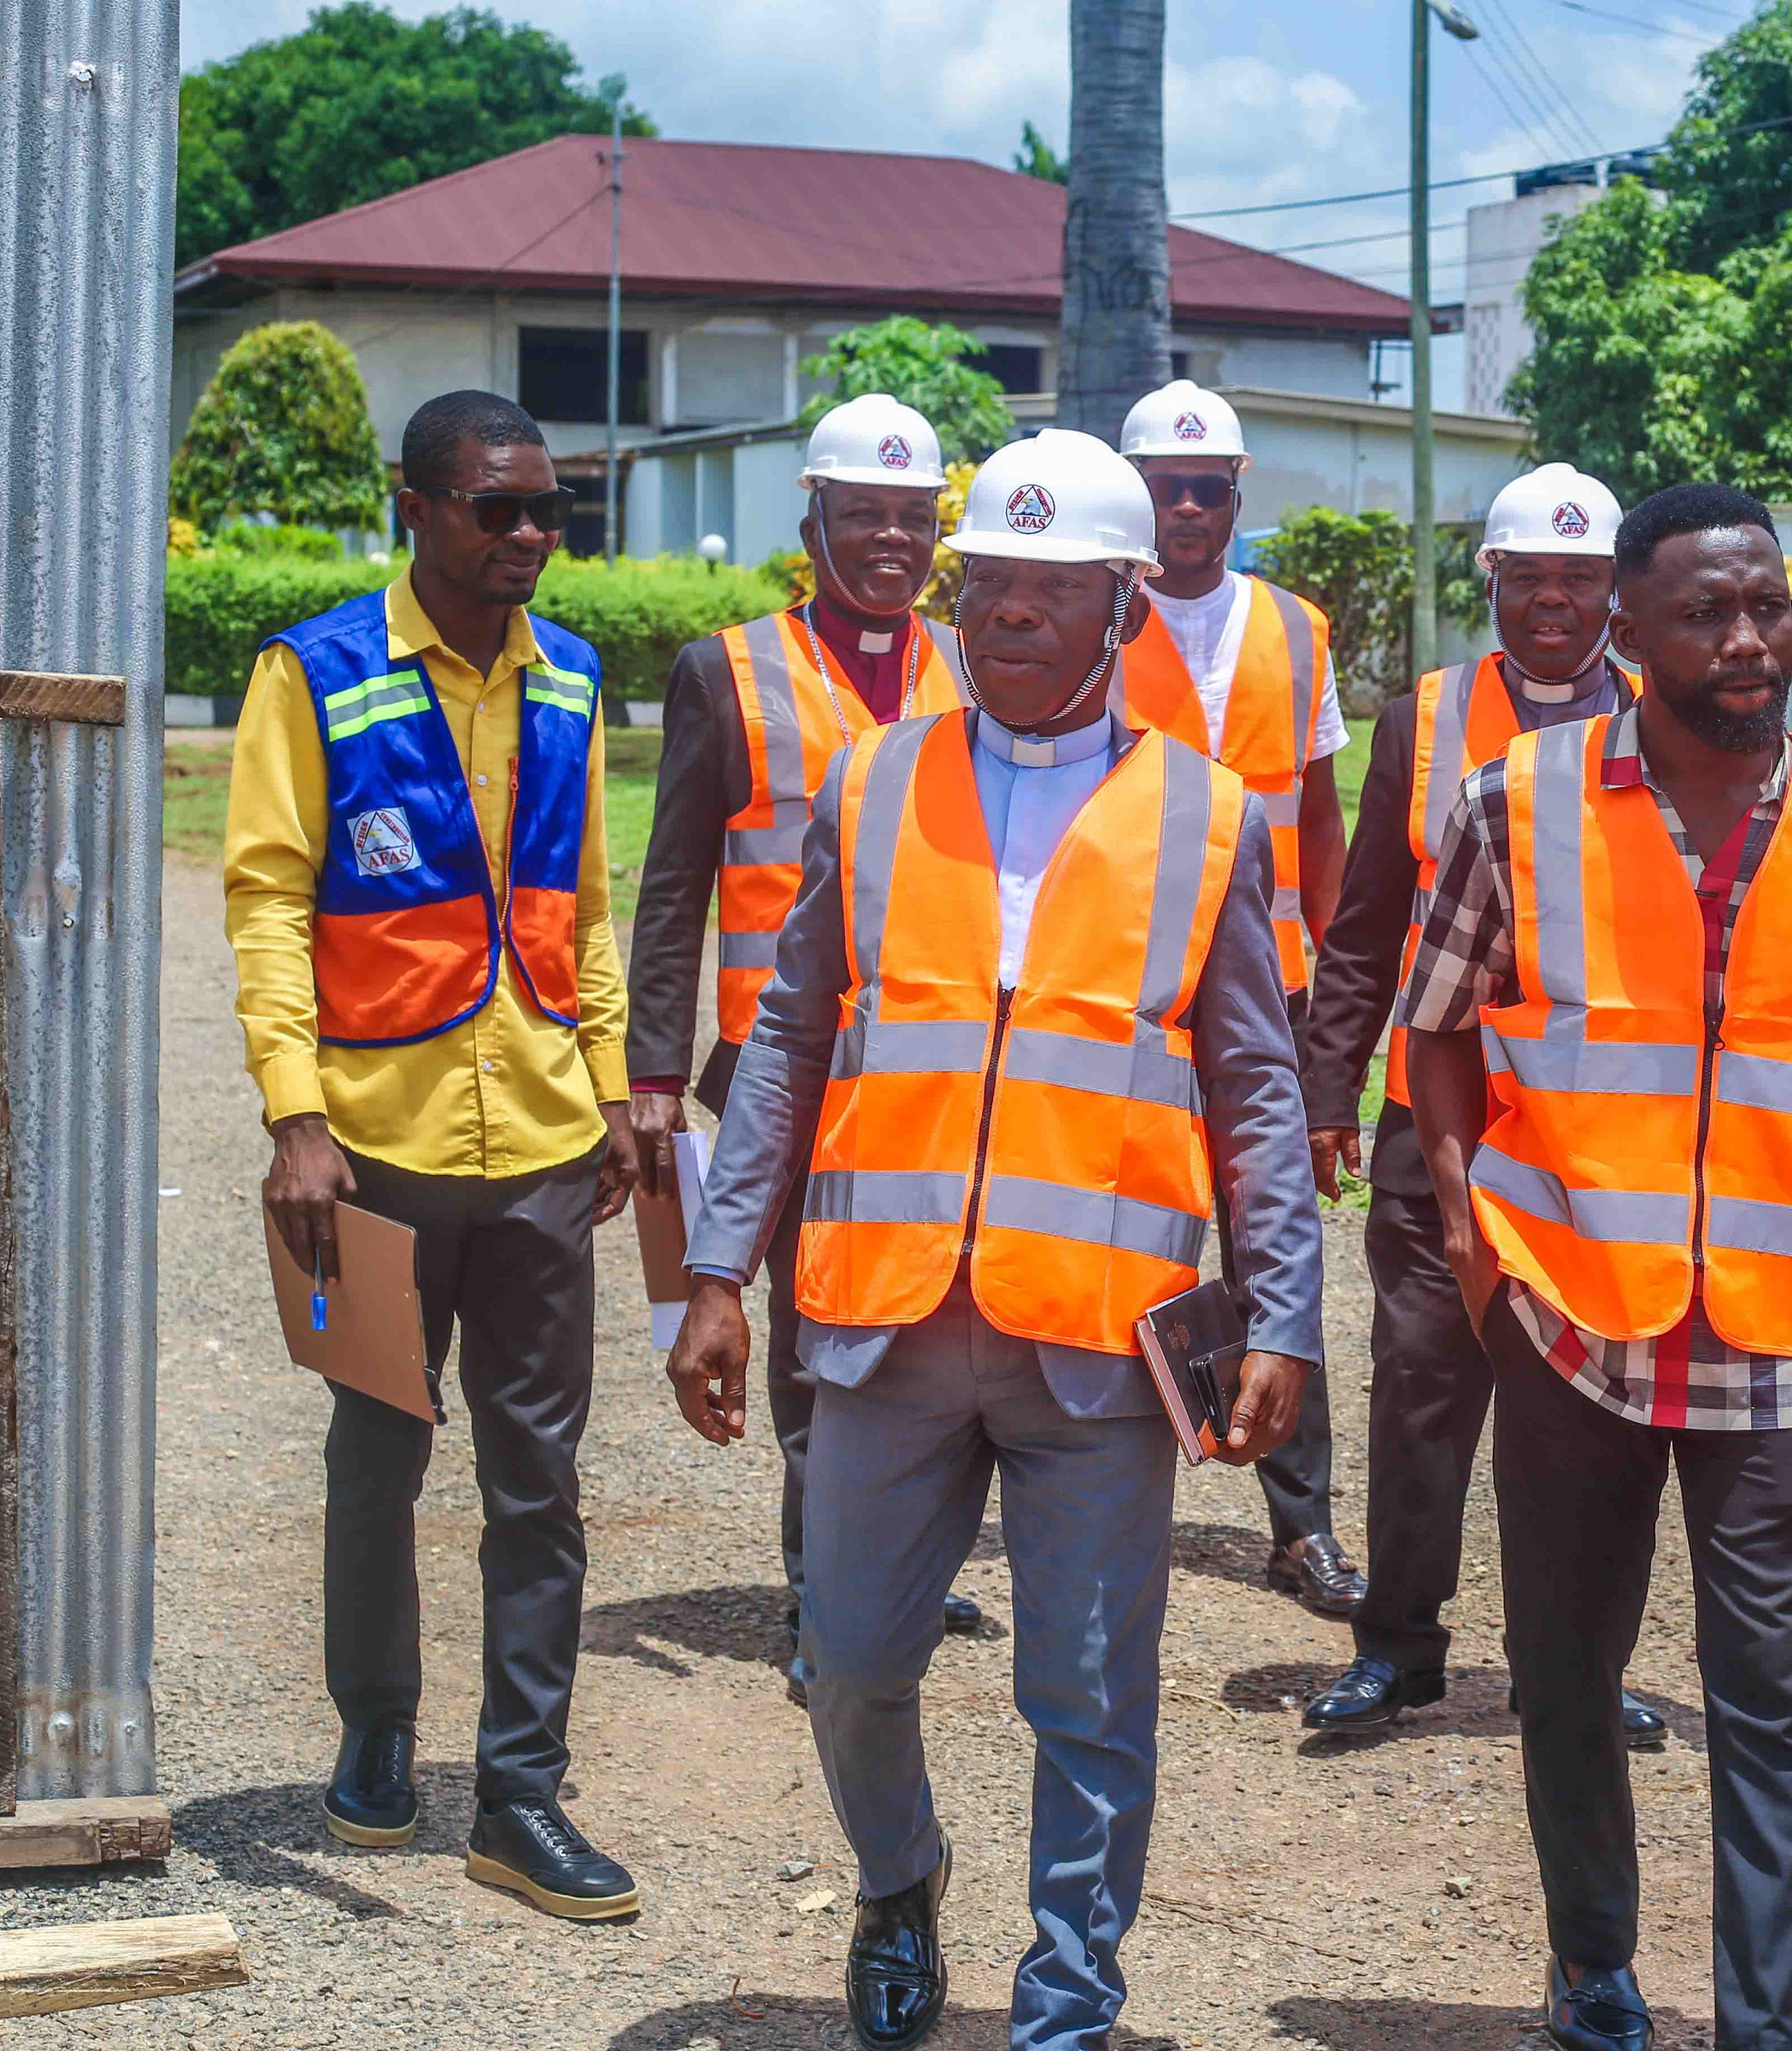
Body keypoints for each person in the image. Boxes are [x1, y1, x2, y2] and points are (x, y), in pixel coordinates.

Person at [661, 428, 1322, 2051]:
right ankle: (900, 1882)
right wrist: (715, 1269)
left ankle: (1067, 1995)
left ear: (1124, 609)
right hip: (885, 1321)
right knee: (850, 1660)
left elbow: (1255, 1087)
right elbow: (788, 1036)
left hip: (1097, 1339)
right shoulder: (877, 783)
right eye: (991, 585)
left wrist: (1287, 1318)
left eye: (1053, 588)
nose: (1010, 613)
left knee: (1087, 1694)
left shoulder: (1206, 817)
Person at [1405, 483, 1792, 2051]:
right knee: (1564, 1671)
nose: (1746, 639)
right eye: (1707, 613)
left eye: (1766, 607)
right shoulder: (1514, 803)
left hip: (1779, 1333)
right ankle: (1593, 1972)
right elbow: (1435, 1030)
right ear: (1629, 631)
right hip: (1570, 1315)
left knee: (1774, 1698)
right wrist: (1466, 1232)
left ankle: (1764, 2027)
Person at [229, 389, 641, 1919]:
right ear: (417, 507)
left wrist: (612, 1089)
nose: (529, 534)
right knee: (378, 1456)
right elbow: (268, 899)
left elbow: (583, 905)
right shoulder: (317, 674)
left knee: (540, 1482)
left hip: (539, 1141)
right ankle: (377, 1731)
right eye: (496, 507)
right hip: (376, 1149)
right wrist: (296, 1119)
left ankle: (520, 1795)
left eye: (548, 509)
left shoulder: (573, 678)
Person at [1295, 463, 1671, 1747]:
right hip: (1435, 1118)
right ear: (1492, 583)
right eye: (1530, 578)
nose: (1554, 602)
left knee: (1592, 1414)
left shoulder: (1664, 718)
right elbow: (1362, 926)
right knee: (1422, 1386)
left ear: (1617, 594)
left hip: (1594, 1133)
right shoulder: (1425, 718)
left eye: (1580, 580)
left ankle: (1568, 1665)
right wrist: (1329, 1087)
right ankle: (1396, 1647)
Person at [626, 395, 982, 1705]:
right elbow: (673, 887)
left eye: (914, 518)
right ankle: (823, 1592)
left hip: (937, 1066)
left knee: (928, 1319)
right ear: (814, 520)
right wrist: (651, 1078)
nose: (892, 540)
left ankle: (904, 1567)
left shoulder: (975, 664)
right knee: (809, 1329)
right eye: (865, 514)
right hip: (777, 1066)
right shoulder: (729, 672)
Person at [1112, 378, 1362, 1618]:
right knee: (1127, 1236)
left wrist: (1337, 1002)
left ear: (1235, 494)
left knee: (1277, 1244)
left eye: (1207, 489)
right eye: (1165, 490)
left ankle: (1301, 1525)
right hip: (1137, 986)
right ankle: (1106, 1488)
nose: (1187, 510)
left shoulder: (1299, 630)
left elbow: (1321, 812)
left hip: (1276, 989)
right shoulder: (1095, 619)